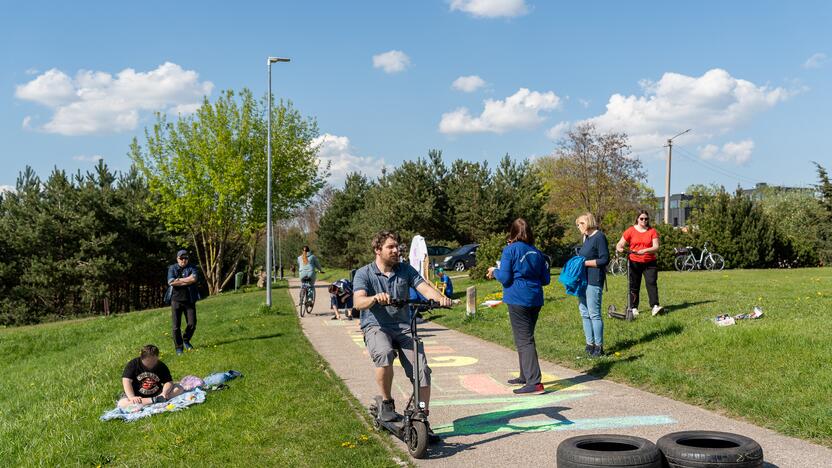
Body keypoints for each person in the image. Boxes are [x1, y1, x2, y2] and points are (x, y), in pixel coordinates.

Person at [352, 231, 452, 431]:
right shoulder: (365, 273)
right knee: (384, 353)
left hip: (404, 328)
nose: (396, 250)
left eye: (397, 247)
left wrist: (440, 298)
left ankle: (422, 413)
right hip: (376, 326)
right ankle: (387, 402)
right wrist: (374, 298)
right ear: (377, 250)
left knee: (421, 369)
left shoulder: (406, 270)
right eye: (391, 247)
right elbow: (358, 301)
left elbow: (424, 288)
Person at [486, 218, 551, 395]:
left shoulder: (509, 250)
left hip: (517, 298)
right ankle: (525, 375)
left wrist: (495, 271)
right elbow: (545, 279)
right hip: (535, 298)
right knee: (525, 337)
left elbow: (506, 278)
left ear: (512, 233)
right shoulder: (537, 253)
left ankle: (534, 382)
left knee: (524, 340)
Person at [616, 210, 663, 317]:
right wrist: (620, 248)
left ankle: (655, 306)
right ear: (637, 219)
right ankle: (633, 307)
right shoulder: (630, 231)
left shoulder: (652, 231)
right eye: (641, 218)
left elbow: (656, 247)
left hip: (649, 262)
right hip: (634, 262)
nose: (644, 221)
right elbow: (620, 244)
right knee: (634, 285)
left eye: (646, 219)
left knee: (651, 283)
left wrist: (645, 251)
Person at [575, 213, 609, 357]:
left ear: (588, 222)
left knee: (594, 313)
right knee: (584, 312)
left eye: (580, 224)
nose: (579, 227)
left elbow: (604, 259)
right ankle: (589, 344)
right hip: (583, 280)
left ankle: (598, 346)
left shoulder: (599, 237)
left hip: (594, 279)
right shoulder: (586, 238)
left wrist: (585, 263)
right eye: (577, 225)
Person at [118, 344, 184, 408]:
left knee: (179, 388)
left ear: (157, 357)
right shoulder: (133, 364)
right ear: (142, 358)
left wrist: (164, 393)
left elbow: (168, 382)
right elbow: (126, 381)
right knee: (122, 404)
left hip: (157, 393)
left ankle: (157, 399)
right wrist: (132, 397)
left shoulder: (161, 366)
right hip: (137, 396)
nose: (151, 364)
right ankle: (154, 400)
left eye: (154, 361)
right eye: (148, 361)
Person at [167, 249, 200, 355]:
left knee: (192, 324)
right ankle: (179, 347)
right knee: (176, 327)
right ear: (177, 259)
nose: (183, 260)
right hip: (176, 300)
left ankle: (186, 340)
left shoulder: (192, 267)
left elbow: (194, 279)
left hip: (189, 300)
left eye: (185, 258)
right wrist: (187, 279)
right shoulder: (172, 268)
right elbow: (171, 282)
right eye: (181, 258)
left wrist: (179, 280)